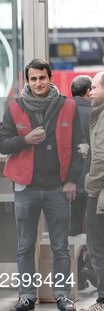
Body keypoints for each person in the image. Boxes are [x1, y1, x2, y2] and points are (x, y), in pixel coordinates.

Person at [0, 59, 84, 311]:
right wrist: (25, 140)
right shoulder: (15, 108)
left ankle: (62, 296)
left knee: (60, 245)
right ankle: (26, 297)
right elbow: (3, 144)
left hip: (58, 187)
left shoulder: (68, 106)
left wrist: (71, 180)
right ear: (27, 81)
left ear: (50, 78)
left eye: (42, 78)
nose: (38, 83)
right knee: (25, 245)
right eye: (33, 79)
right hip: (26, 187)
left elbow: (81, 147)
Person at [77, 71, 104, 311]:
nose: (91, 91)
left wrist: (90, 188)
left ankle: (103, 301)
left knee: (98, 247)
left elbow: (100, 159)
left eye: (95, 87)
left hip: (100, 195)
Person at [70, 75, 93, 236]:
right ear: (88, 91)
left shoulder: (63, 113)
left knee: (73, 225)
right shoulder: (95, 114)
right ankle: (90, 261)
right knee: (93, 225)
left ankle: (73, 260)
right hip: (91, 178)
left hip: (68, 179)